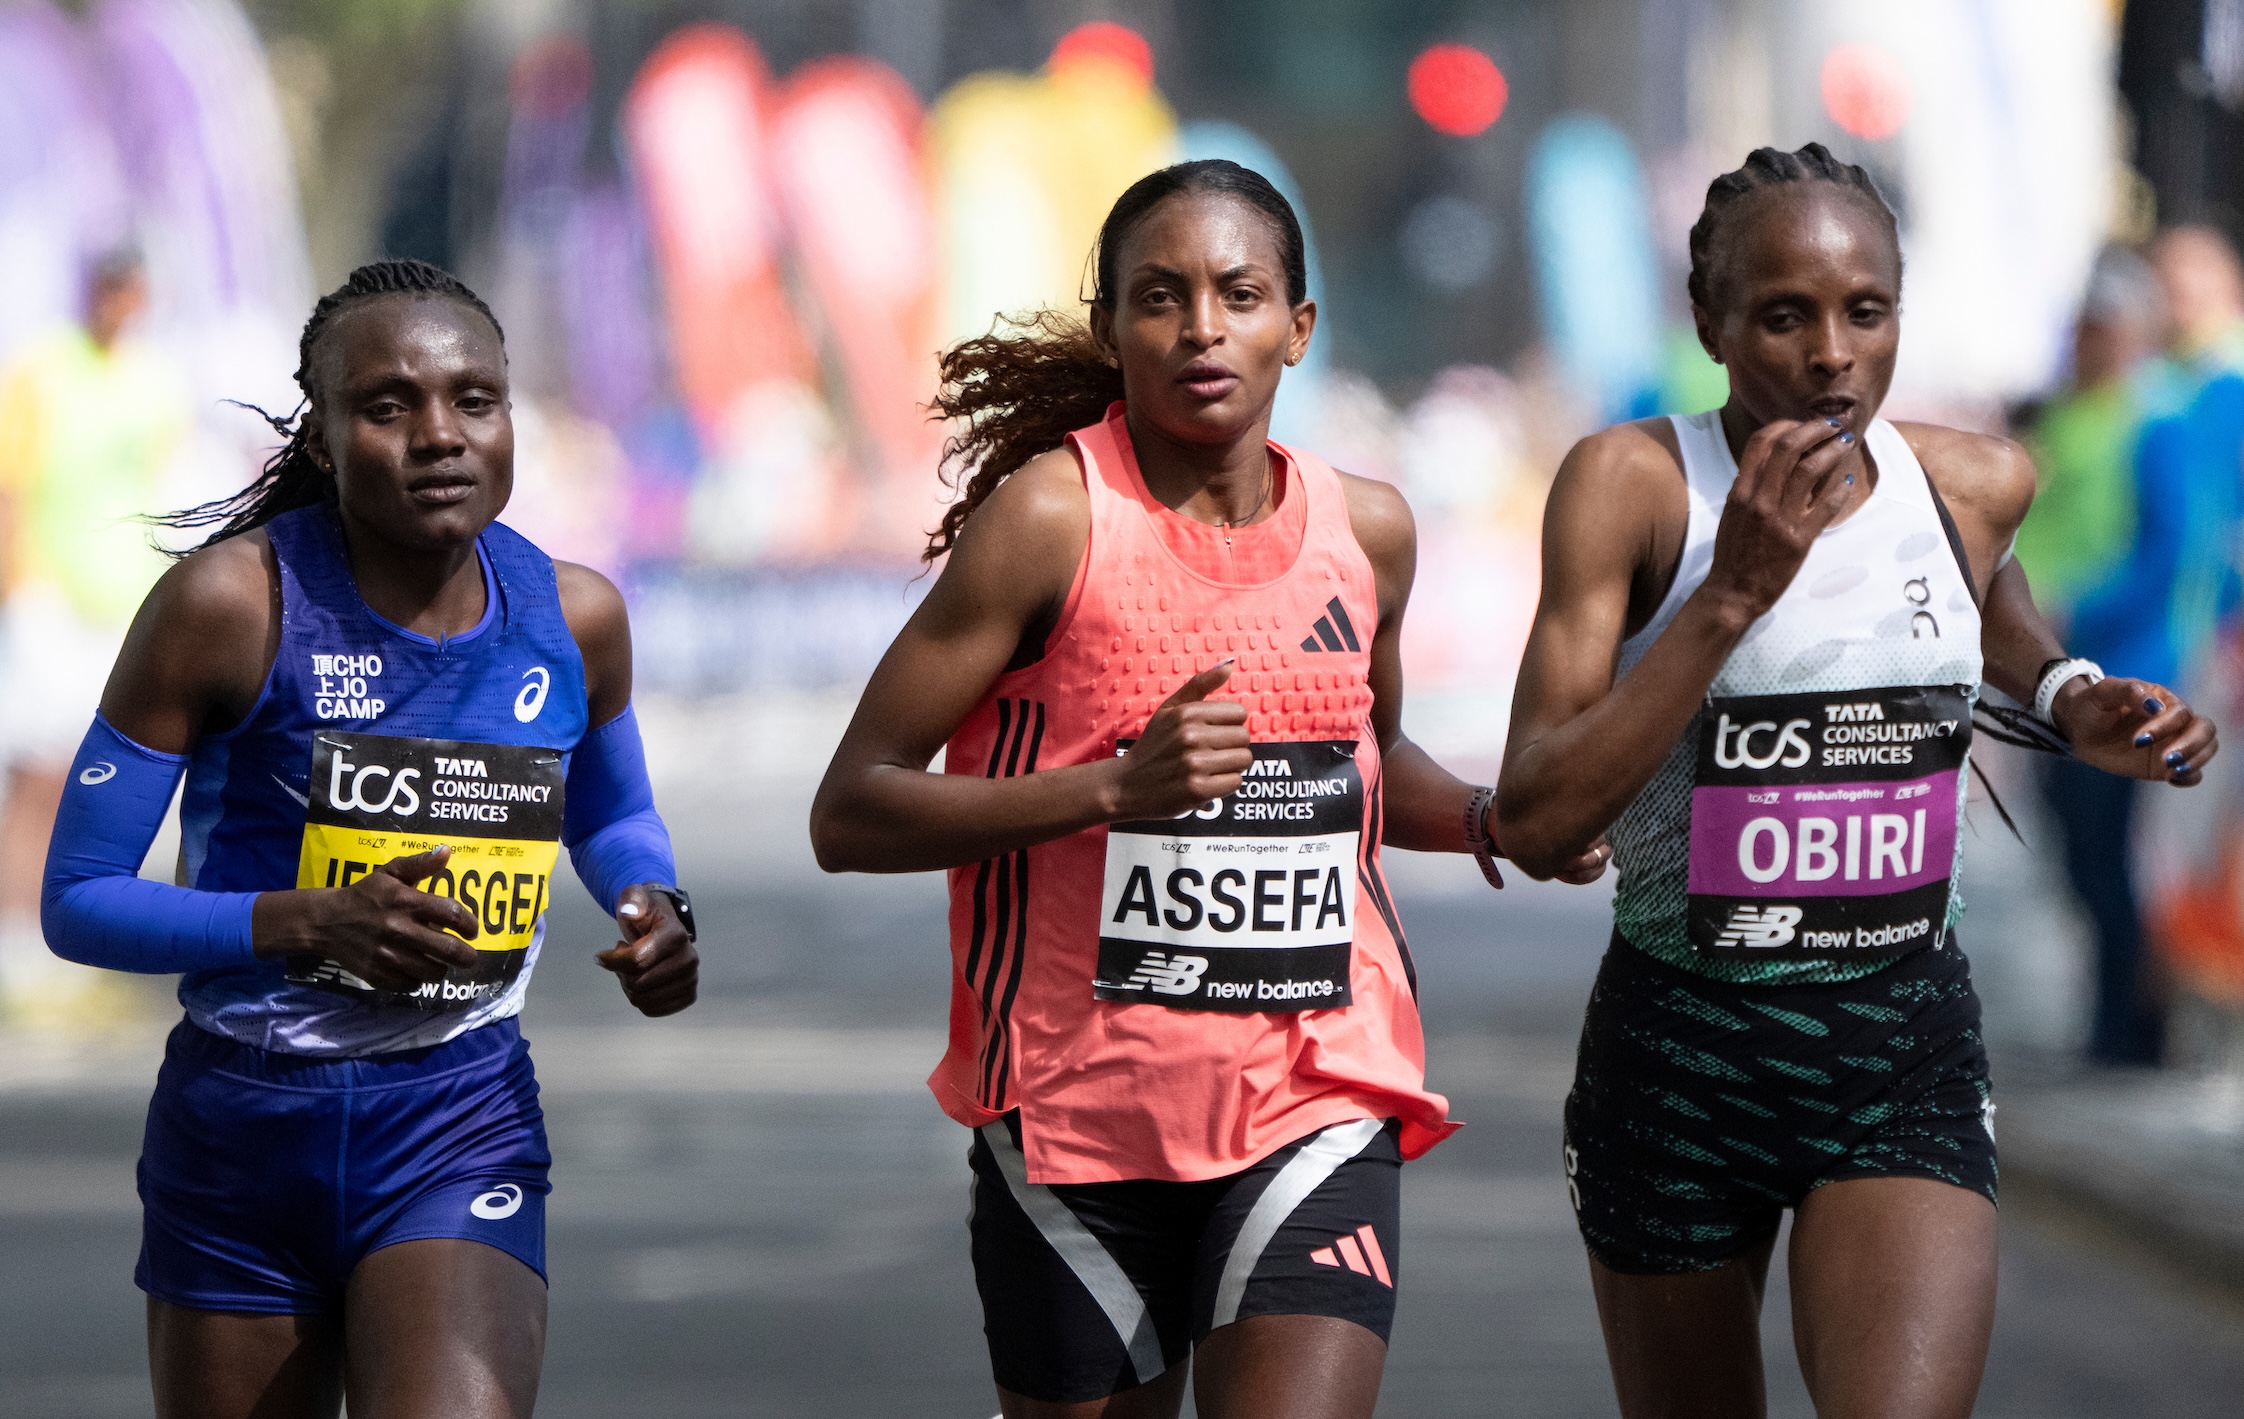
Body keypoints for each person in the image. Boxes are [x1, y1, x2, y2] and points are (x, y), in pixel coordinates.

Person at [812, 159, 1604, 1419]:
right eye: (1161, 297)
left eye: (1239, 295)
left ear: (1297, 325)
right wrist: (1111, 790)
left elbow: (1364, 760)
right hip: (1078, 1118)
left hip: (1316, 1091)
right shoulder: (1050, 521)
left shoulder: (1370, 531)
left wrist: (1488, 820)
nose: (1200, 330)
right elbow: (852, 808)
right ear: (1110, 325)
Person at [1494, 144, 2217, 1418]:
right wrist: (1732, 592)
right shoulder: (1633, 489)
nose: (1831, 354)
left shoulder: (1970, 481)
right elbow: (1541, 814)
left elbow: (1999, 626)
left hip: (1899, 1050)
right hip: (1679, 1053)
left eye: (1864, 312)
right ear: (1711, 323)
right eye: (1783, 316)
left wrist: (2076, 700)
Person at [38, 259, 699, 1418]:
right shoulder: (229, 608)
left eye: (474, 401)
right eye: (387, 405)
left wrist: (651, 900)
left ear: (509, 418)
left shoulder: (575, 615)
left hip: (457, 1113)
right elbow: (79, 898)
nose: (438, 435)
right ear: (328, 438)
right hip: (242, 1128)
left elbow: (610, 810)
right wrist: (308, 924)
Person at [2025, 240, 2244, 1065]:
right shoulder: (2060, 415)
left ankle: (2130, 1023)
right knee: (2078, 842)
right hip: (2058, 666)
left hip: (2137, 666)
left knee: (2120, 847)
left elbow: (2174, 552)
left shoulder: (2160, 420)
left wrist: (2079, 601)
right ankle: (2115, 1012)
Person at [0, 248, 187, 1023]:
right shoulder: (43, 374)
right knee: (39, 774)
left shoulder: (156, 383)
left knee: (98, 777)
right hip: (51, 600)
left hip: (119, 605)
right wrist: (18, 589)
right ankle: (16, 946)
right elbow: (10, 490)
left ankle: (65, 953)